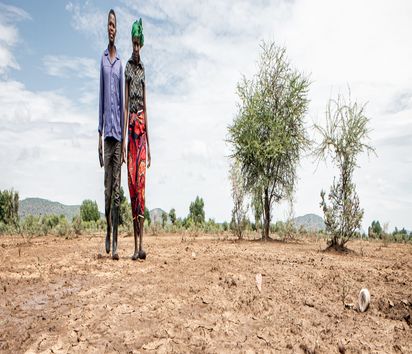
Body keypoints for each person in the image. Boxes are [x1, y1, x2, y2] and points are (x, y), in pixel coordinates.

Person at [123, 18, 151, 260]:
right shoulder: (128, 69)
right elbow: (124, 107)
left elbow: (147, 107)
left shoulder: (142, 70)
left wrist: (150, 145)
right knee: (131, 186)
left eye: (138, 43)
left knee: (142, 186)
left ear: (141, 44)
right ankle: (133, 247)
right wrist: (123, 141)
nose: (136, 47)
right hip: (130, 130)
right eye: (133, 43)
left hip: (142, 131)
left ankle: (142, 245)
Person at [98, 9, 124, 260]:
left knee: (117, 192)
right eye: (109, 24)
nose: (111, 28)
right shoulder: (104, 60)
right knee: (107, 191)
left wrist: (125, 143)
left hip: (119, 137)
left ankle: (116, 242)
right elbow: (101, 98)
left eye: (114, 25)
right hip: (106, 136)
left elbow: (122, 105)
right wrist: (98, 134)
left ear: (118, 30)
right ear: (106, 28)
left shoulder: (120, 65)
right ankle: (107, 230)